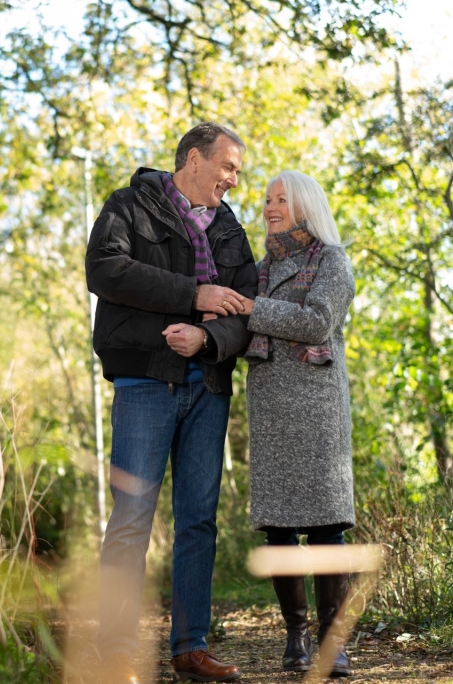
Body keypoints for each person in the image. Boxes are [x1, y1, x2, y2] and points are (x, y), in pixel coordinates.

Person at [85, 122, 258, 684]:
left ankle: (191, 648)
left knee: (198, 522)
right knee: (132, 518)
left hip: (207, 385)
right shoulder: (130, 205)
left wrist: (209, 338)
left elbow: (246, 308)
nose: (234, 180)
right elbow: (105, 270)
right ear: (192, 160)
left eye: (237, 170)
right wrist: (192, 295)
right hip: (144, 383)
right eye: (227, 167)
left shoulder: (230, 228)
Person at [237, 170, 356, 677]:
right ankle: (296, 638)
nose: (269, 207)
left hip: (317, 406)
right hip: (270, 404)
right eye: (266, 199)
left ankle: (333, 644)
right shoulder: (257, 268)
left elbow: (316, 322)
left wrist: (251, 309)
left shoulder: (332, 260)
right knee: (279, 529)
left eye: (280, 199)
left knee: (328, 528)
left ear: (305, 206)